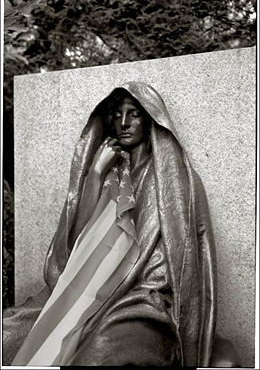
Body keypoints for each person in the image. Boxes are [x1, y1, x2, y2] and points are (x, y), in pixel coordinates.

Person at [3, 81, 241, 367]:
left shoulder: (175, 181)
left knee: (101, 353)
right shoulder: (110, 175)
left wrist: (126, 285)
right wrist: (93, 174)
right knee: (9, 332)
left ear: (151, 119)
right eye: (117, 115)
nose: (124, 123)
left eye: (134, 114)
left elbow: (180, 264)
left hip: (140, 301)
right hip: (85, 285)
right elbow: (75, 248)